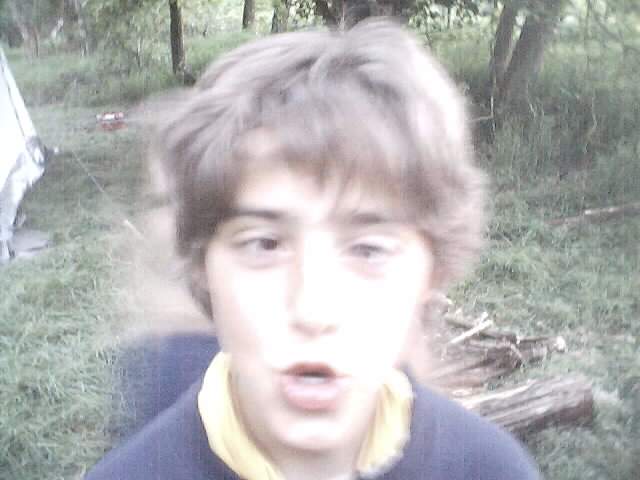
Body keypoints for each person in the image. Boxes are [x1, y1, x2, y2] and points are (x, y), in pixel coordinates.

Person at [86, 20, 541, 480]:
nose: (313, 310)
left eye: (368, 250)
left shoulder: (493, 470)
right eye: (264, 244)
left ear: (433, 273)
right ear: (202, 265)